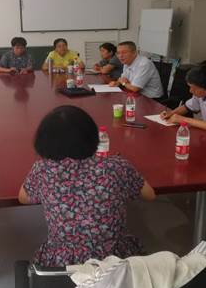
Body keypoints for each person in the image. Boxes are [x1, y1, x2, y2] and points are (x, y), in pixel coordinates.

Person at [18, 105, 156, 267]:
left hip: (64, 265)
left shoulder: (42, 170)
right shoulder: (116, 166)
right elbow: (150, 195)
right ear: (92, 137)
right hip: (114, 263)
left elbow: (23, 197)